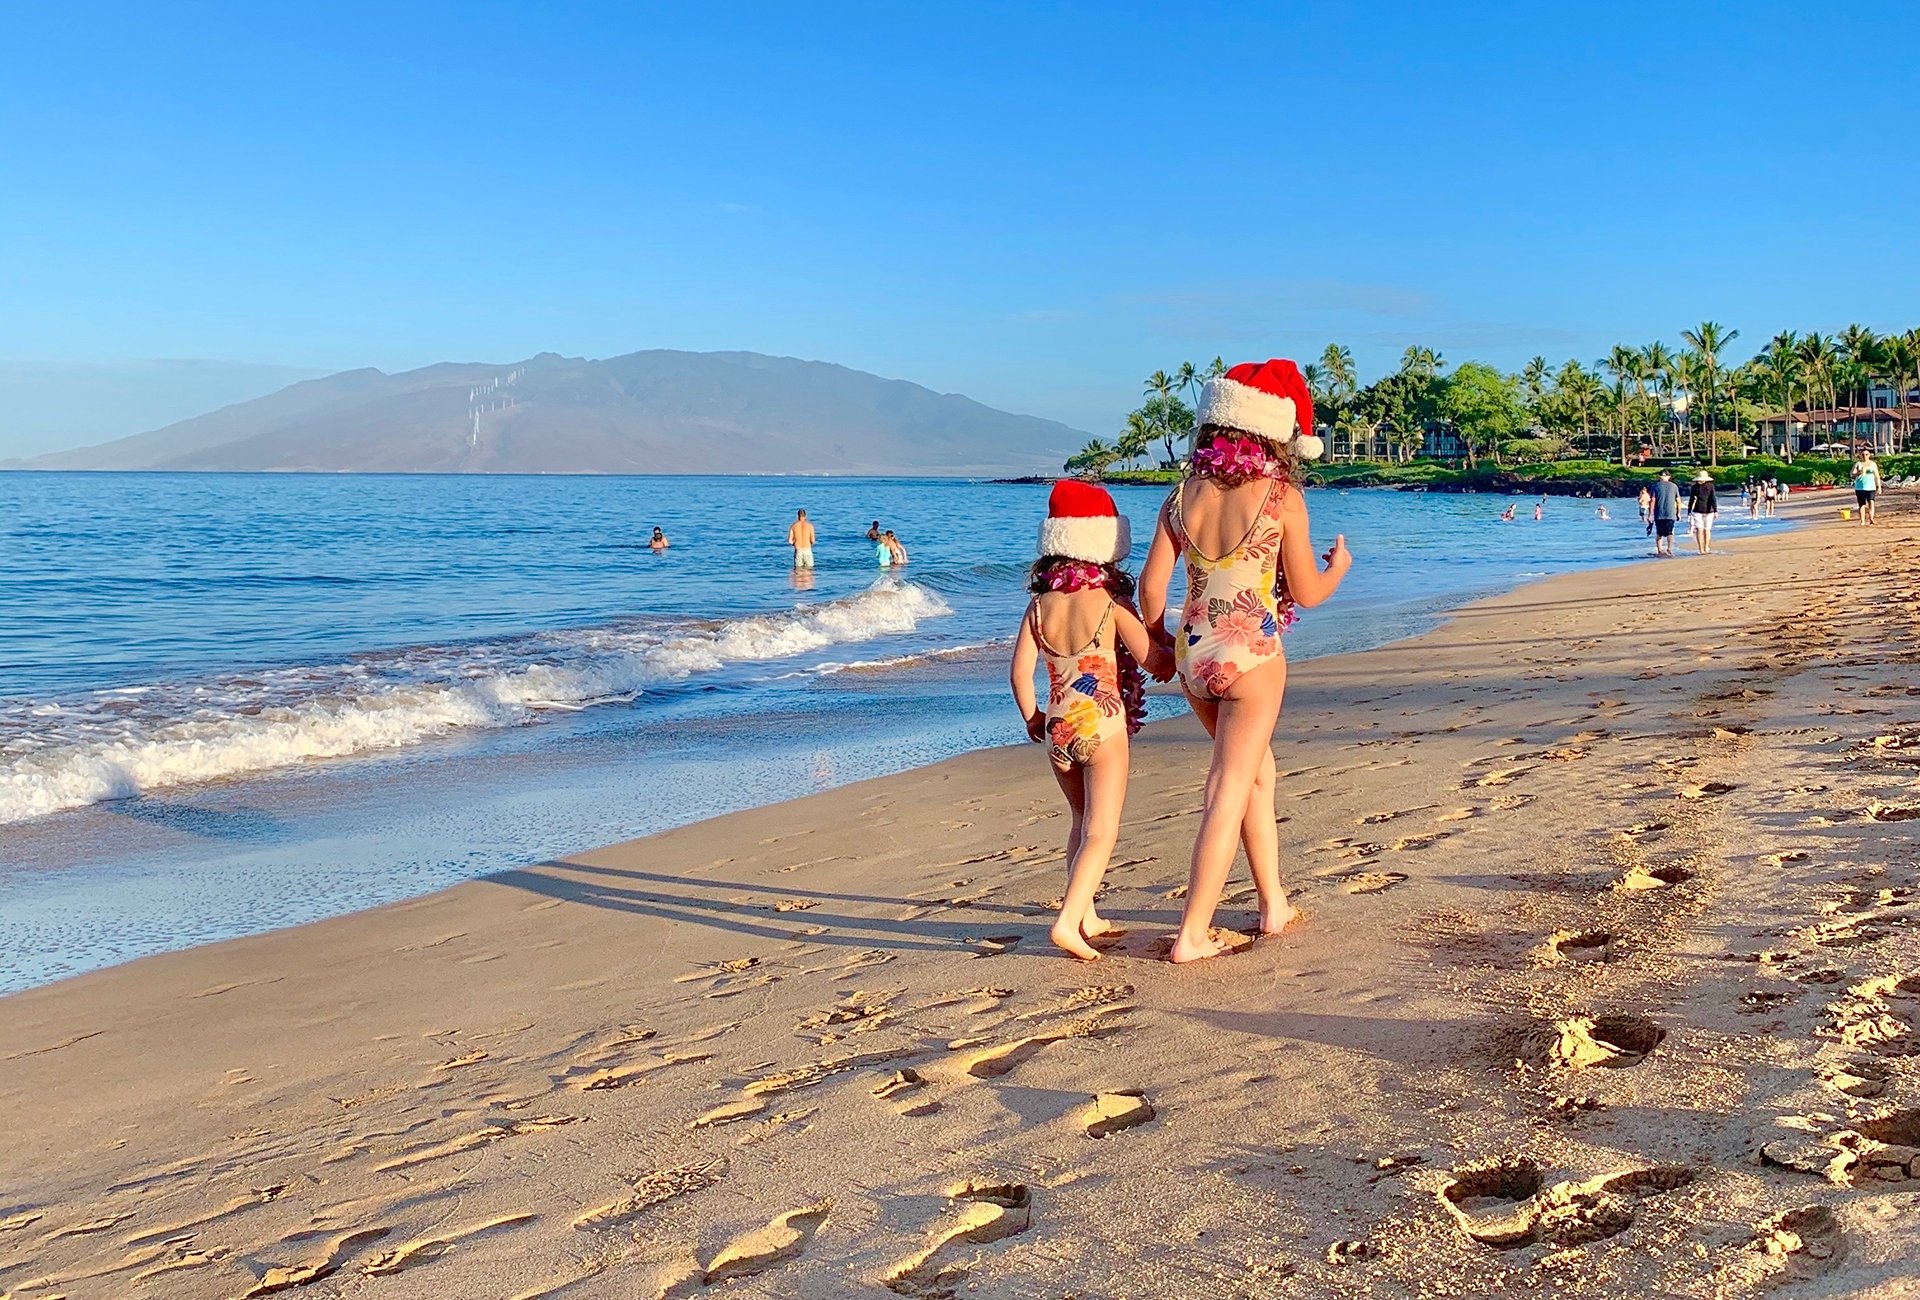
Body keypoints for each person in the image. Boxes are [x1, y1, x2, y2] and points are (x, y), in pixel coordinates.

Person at [1140, 359, 1352, 964]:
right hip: (1252, 656)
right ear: (1273, 433)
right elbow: (1306, 592)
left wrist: (1157, 644)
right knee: (1228, 786)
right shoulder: (1282, 498)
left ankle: (1273, 903)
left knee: (1258, 773)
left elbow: (1152, 591)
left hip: (1194, 655)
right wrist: (1339, 566)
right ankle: (1193, 932)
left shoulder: (1181, 498)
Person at [1010, 481, 1173, 960]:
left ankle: (1087, 915)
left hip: (1058, 727)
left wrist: (1032, 716)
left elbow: (1019, 673)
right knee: (1103, 830)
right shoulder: (1109, 604)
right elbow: (1153, 662)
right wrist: (1176, 648)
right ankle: (1066, 921)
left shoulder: (1039, 606)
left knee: (1081, 821)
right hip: (1102, 727)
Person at [1686, 471, 1718, 555]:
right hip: (1698, 510)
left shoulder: (1710, 486)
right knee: (1700, 529)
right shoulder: (1694, 487)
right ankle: (1701, 549)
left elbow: (1713, 498)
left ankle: (1706, 547)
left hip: (1708, 510)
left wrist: (1715, 510)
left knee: (1706, 529)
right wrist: (1689, 510)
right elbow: (1691, 499)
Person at [1650, 470, 1680, 557]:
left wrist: (1650, 514)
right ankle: (1669, 549)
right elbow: (1678, 500)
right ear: (1669, 477)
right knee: (1670, 532)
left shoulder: (1655, 486)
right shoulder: (1674, 486)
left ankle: (1659, 550)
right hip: (1671, 513)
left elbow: (1653, 500)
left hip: (1659, 513)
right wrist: (1678, 513)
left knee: (1659, 533)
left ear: (1659, 477)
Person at [1852, 452, 1881, 525]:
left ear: (1869, 455)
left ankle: (1871, 519)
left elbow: (1877, 476)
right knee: (1862, 504)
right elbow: (1852, 474)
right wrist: (1859, 472)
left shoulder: (1873, 464)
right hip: (1860, 487)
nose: (1864, 456)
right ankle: (1862, 521)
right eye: (1863, 454)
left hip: (1871, 487)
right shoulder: (1858, 464)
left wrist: (1879, 487)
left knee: (1871, 502)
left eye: (1866, 454)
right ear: (1860, 456)